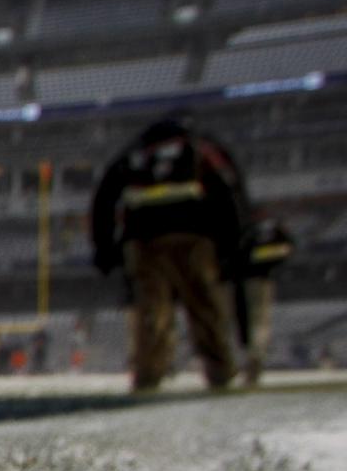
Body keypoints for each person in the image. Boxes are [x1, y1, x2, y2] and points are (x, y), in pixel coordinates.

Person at [89, 112, 250, 394]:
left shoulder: (132, 156)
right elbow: (227, 195)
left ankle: (148, 375)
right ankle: (220, 371)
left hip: (144, 242)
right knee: (205, 307)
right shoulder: (201, 151)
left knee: (152, 312)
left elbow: (103, 202)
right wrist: (233, 244)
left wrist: (105, 249)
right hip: (193, 239)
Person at [237, 216, 294, 387]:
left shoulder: (246, 229)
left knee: (241, 320)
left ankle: (242, 360)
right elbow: (287, 248)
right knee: (259, 320)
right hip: (258, 280)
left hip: (234, 279)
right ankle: (254, 355)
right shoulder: (270, 230)